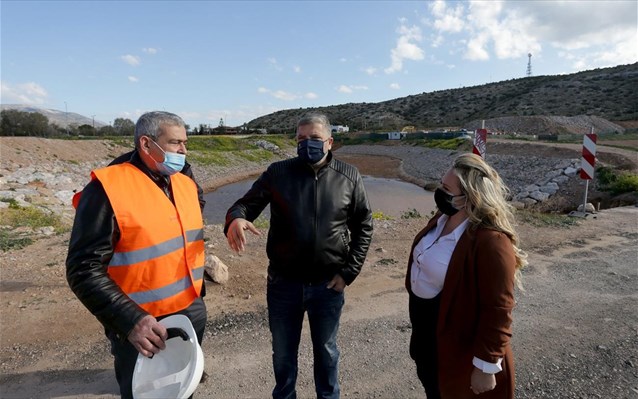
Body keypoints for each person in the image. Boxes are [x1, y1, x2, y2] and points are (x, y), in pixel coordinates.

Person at [224, 113, 373, 399]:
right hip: (283, 285)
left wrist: (348, 273)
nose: (307, 144)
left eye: (314, 139)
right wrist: (235, 220)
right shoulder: (278, 173)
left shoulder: (349, 176)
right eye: (301, 139)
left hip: (328, 286)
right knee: (282, 355)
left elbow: (364, 226)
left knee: (327, 353)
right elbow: (243, 205)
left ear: (329, 142)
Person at [66, 111, 207, 399]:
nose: (184, 151)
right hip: (141, 322)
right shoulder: (106, 190)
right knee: (145, 392)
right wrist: (130, 321)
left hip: (189, 308)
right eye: (176, 143)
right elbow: (83, 268)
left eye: (185, 143)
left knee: (183, 386)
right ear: (146, 144)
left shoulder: (183, 180)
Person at [405, 153, 527, 399]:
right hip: (429, 342)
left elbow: (498, 308)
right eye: (441, 184)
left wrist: (486, 365)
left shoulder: (491, 241)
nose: (439, 192)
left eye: (446, 188)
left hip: (460, 352)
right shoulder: (441, 220)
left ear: (470, 196)